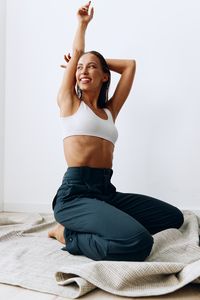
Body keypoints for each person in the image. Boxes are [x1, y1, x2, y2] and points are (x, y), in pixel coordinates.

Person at [48, 1, 184, 261]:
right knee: (138, 243)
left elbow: (130, 66)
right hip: (75, 195)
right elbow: (77, 50)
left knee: (173, 218)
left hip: (105, 192)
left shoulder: (110, 110)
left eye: (91, 67)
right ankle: (68, 234)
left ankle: (108, 223)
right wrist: (82, 29)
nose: (83, 70)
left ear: (105, 76)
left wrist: (94, 59)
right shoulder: (69, 102)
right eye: (79, 68)